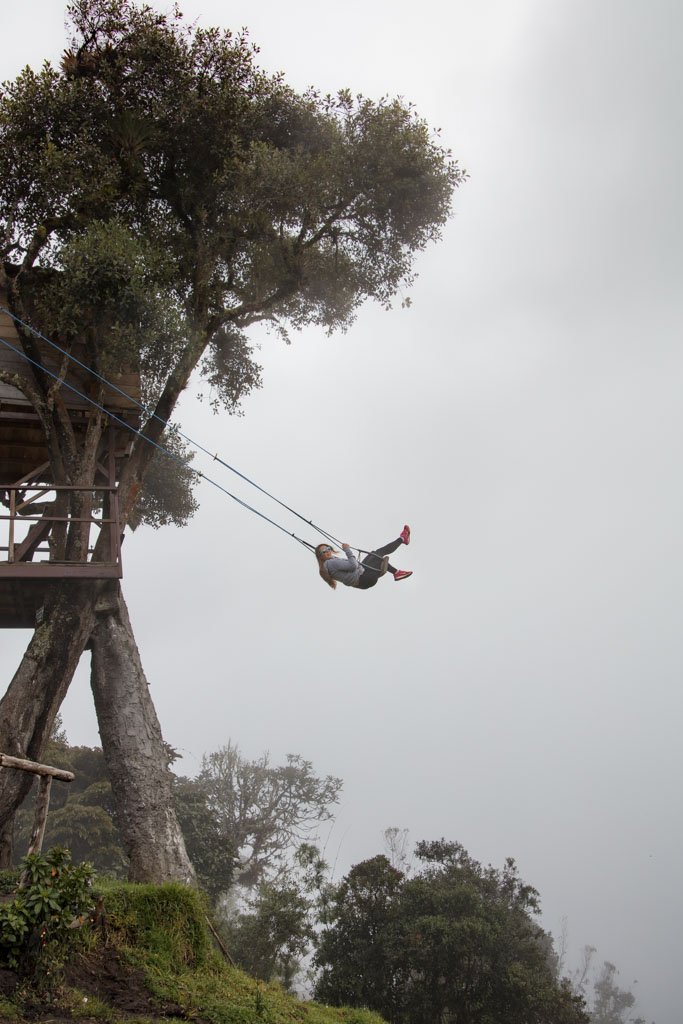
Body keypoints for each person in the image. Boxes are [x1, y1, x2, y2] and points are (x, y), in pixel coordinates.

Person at [315, 525, 412, 590]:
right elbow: (353, 565)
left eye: (328, 548)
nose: (327, 551)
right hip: (365, 577)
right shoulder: (330, 563)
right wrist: (347, 550)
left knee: (375, 554)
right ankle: (402, 539)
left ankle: (397, 572)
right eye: (324, 551)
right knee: (378, 555)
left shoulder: (328, 564)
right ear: (321, 556)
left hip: (363, 579)